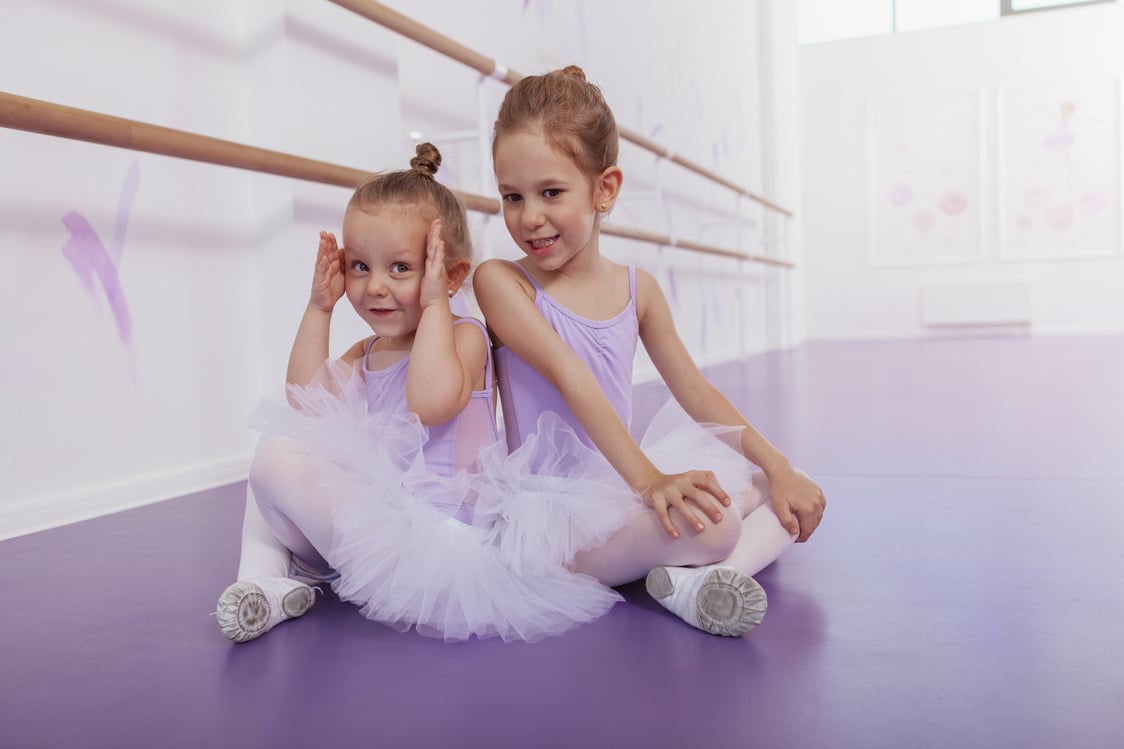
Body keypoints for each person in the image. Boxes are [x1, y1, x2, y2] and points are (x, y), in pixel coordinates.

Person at [473, 67, 826, 638]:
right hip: (549, 515)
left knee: (781, 486)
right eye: (512, 196)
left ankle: (703, 584)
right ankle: (710, 569)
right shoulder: (501, 281)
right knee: (716, 528)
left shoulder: (640, 290)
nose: (529, 216)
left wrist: (779, 467)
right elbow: (569, 373)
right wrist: (649, 481)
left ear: (604, 189)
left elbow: (695, 392)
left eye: (551, 193)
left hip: (619, 483)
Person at [216, 143, 617, 644]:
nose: (375, 287)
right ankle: (261, 584)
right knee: (272, 446)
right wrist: (320, 309)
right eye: (360, 267)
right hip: (383, 531)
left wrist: (433, 308)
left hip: (439, 547)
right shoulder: (369, 350)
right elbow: (304, 407)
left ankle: (275, 576)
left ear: (450, 276)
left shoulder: (464, 335)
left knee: (275, 460)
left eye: (400, 268)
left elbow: (428, 403)